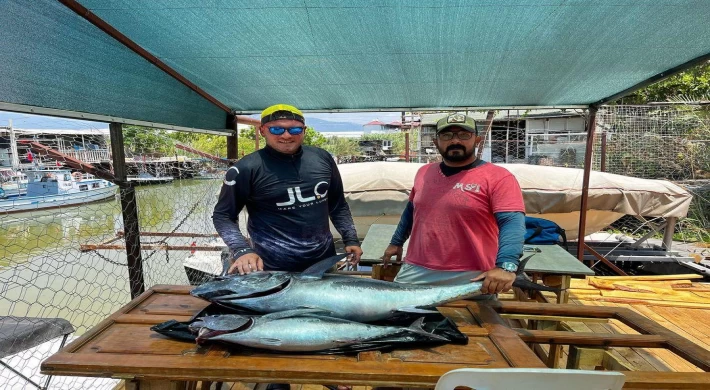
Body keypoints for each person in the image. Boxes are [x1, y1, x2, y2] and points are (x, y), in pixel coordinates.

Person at [381, 113, 526, 296]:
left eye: (464, 135)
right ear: (436, 142)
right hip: (417, 269)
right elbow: (411, 210)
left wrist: (506, 265)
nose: (455, 141)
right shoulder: (424, 172)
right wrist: (396, 242)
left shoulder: (498, 177)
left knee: (472, 323)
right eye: (447, 136)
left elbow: (512, 222)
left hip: (473, 274)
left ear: (478, 140)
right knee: (398, 318)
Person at [212, 103, 363, 276]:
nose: (286, 135)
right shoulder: (245, 168)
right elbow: (223, 215)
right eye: (276, 130)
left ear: (304, 130)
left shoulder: (322, 158)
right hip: (271, 268)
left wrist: (350, 238)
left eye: (295, 130)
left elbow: (337, 205)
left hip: (323, 263)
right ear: (263, 131)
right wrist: (242, 250)